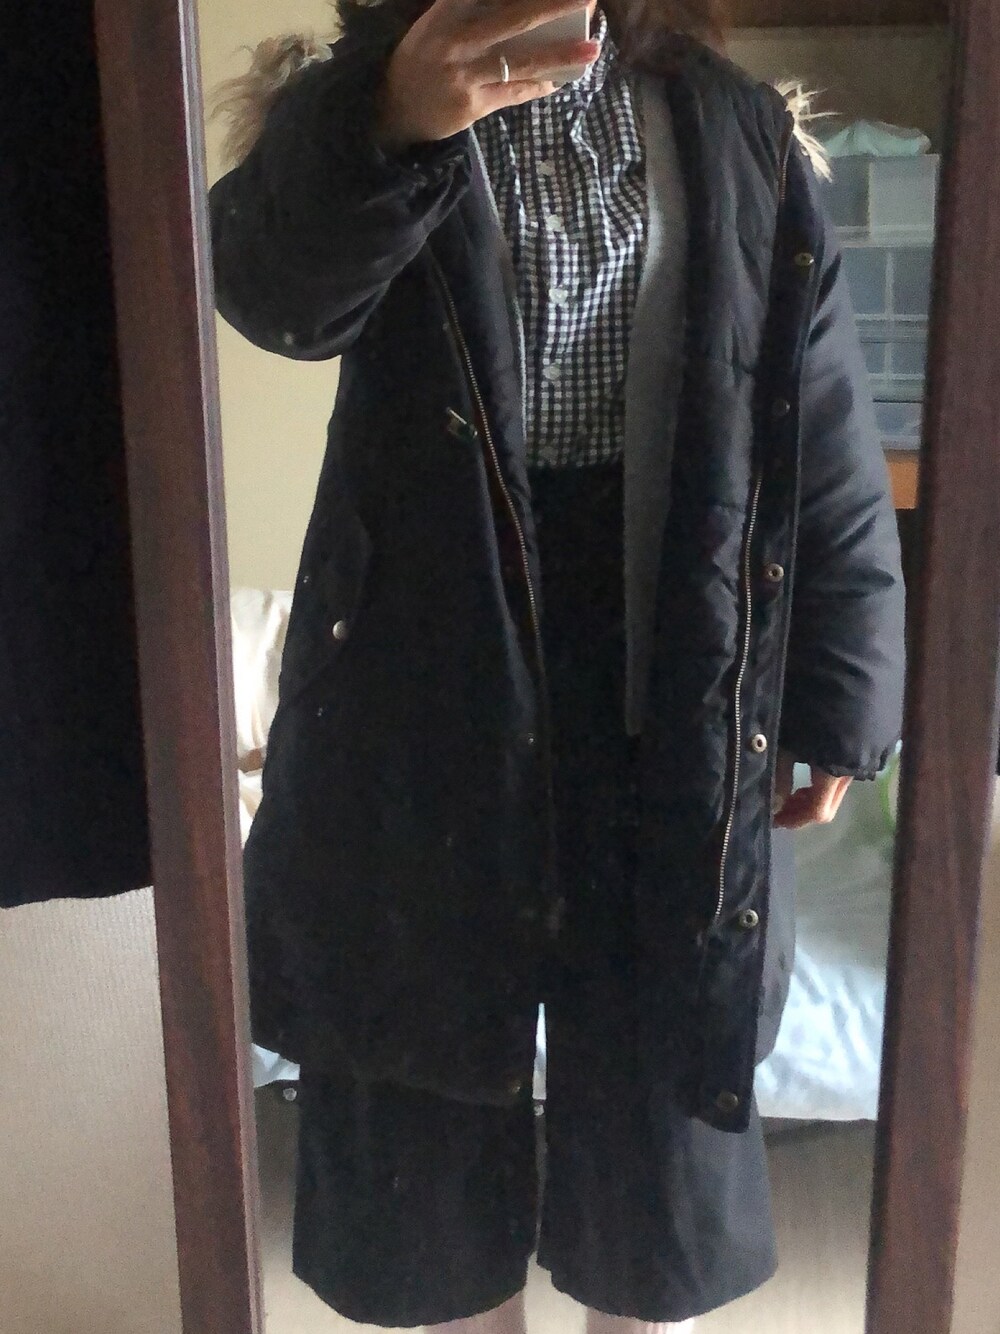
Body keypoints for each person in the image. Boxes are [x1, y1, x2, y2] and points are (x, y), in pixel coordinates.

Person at [209, 0, 906, 1327]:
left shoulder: (730, 123)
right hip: (432, 660)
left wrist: (841, 690)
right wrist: (393, 122)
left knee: (658, 1062)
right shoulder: (364, 104)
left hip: (674, 651)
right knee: (423, 1053)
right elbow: (274, 300)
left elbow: (817, 410)